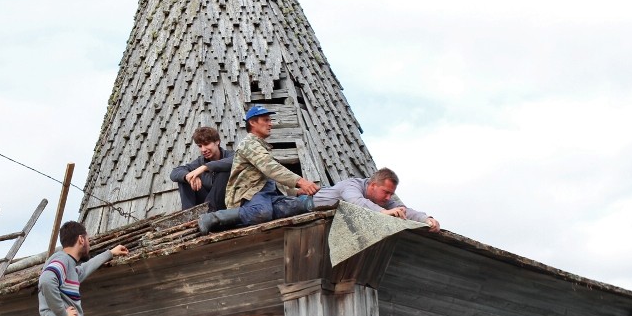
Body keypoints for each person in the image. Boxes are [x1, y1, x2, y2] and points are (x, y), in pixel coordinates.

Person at [198, 105, 320, 234]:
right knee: (261, 212)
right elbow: (271, 168)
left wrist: (295, 191)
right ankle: (215, 218)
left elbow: (271, 179)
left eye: (270, 120)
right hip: (249, 195)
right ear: (252, 122)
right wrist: (301, 181)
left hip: (267, 195)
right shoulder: (249, 144)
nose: (270, 124)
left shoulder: (262, 146)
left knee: (298, 205)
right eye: (266, 120)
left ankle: (254, 214)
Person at [314, 167, 441, 232]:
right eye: (386, 192)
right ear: (373, 185)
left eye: (391, 194)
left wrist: (426, 219)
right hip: (303, 204)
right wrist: (383, 212)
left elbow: (404, 211)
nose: (388, 197)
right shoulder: (351, 185)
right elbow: (356, 202)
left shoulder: (382, 200)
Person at [169, 126, 234, 211]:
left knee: (224, 170)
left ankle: (210, 213)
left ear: (217, 142)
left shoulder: (231, 155)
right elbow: (175, 172)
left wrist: (205, 167)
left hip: (226, 203)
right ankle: (188, 213)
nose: (203, 149)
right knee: (185, 178)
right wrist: (188, 176)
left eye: (206, 144)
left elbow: (234, 161)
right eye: (200, 146)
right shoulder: (199, 162)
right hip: (205, 204)